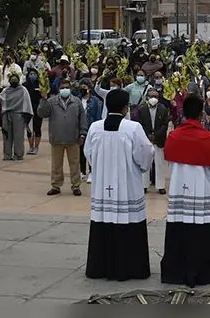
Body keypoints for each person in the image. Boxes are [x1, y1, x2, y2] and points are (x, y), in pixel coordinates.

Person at [84, 88, 156, 281]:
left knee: (103, 222)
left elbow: (88, 154)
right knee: (128, 222)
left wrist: (100, 168)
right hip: (128, 186)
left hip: (102, 186)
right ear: (126, 108)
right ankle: (130, 269)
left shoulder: (95, 127)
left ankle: (99, 268)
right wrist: (142, 169)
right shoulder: (133, 128)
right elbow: (146, 152)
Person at [161, 94, 210, 287]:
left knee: (178, 231)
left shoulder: (174, 136)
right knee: (200, 233)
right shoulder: (208, 138)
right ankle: (203, 273)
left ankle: (174, 272)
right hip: (201, 192)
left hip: (178, 191)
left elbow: (170, 161)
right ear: (201, 114)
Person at [38, 79, 89, 196]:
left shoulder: (76, 102)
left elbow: (82, 119)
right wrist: (43, 99)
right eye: (62, 88)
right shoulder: (51, 102)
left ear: (70, 89)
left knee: (75, 164)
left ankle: (76, 185)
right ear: (58, 89)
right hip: (57, 138)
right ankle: (56, 185)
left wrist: (82, 134)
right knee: (56, 164)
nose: (64, 90)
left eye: (66, 87)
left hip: (73, 138)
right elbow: (42, 113)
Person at [134, 86, 169, 194]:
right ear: (147, 97)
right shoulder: (142, 109)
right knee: (145, 163)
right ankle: (144, 185)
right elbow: (140, 124)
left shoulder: (163, 109)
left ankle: (160, 186)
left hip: (158, 140)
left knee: (159, 163)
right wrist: (147, 135)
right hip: (146, 139)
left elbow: (165, 124)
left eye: (156, 96)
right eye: (151, 96)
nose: (153, 98)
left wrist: (156, 135)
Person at [0, 73, 34, 161]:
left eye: (15, 79)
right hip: (6, 115)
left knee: (19, 136)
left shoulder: (23, 90)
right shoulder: (5, 90)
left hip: (19, 115)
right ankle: (7, 155)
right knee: (7, 136)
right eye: (12, 79)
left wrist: (26, 116)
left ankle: (18, 155)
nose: (13, 81)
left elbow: (27, 103)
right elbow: (0, 100)